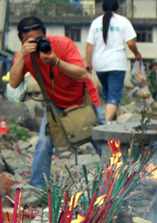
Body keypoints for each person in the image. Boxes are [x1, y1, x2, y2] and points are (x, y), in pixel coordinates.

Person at [10, 16, 106, 188]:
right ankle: (37, 187)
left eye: (39, 40)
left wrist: (56, 62)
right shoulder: (24, 56)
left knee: (102, 139)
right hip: (55, 104)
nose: (36, 45)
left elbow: (82, 74)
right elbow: (14, 83)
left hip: (84, 100)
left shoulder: (63, 44)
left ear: (45, 36)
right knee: (44, 142)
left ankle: (120, 177)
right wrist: (21, 56)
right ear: (22, 41)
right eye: (29, 42)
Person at [86, 0, 142, 122]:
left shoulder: (95, 23)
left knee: (107, 91)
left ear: (103, 8)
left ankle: (111, 119)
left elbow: (90, 45)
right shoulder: (123, 21)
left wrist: (88, 62)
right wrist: (137, 54)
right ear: (117, 8)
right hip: (116, 64)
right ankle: (105, 124)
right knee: (114, 95)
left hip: (99, 65)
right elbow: (131, 43)